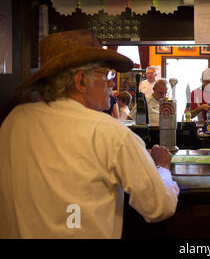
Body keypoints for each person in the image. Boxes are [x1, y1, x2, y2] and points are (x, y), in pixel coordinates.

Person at [0, 30, 179, 238]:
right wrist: (163, 168)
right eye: (107, 74)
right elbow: (158, 206)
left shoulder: (15, 120)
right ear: (81, 81)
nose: (112, 83)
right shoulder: (109, 132)